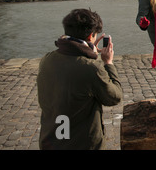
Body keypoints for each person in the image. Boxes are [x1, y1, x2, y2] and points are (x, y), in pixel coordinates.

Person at [37, 8, 122, 150]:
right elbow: (114, 97)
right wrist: (108, 63)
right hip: (82, 144)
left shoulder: (47, 59)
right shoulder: (91, 68)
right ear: (91, 36)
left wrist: (89, 52)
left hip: (51, 141)